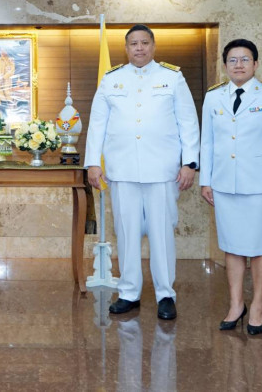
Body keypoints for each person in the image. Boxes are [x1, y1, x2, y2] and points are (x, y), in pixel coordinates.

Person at [85, 24, 200, 319]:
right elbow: (97, 123)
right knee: (126, 231)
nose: (139, 48)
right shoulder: (112, 80)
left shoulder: (172, 78)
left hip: (162, 169)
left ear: (153, 46)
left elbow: (188, 122)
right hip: (122, 169)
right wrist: (93, 162)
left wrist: (189, 163)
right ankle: (129, 292)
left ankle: (165, 294)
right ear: (126, 48)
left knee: (162, 232)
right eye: (133, 43)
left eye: (144, 43)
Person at [200, 39, 262, 335]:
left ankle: (258, 306)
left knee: (261, 247)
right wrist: (206, 180)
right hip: (225, 183)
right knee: (232, 246)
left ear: (255, 63)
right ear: (225, 65)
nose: (239, 65)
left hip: (260, 186)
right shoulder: (214, 97)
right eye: (233, 60)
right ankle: (236, 304)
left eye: (245, 59)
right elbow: (207, 143)